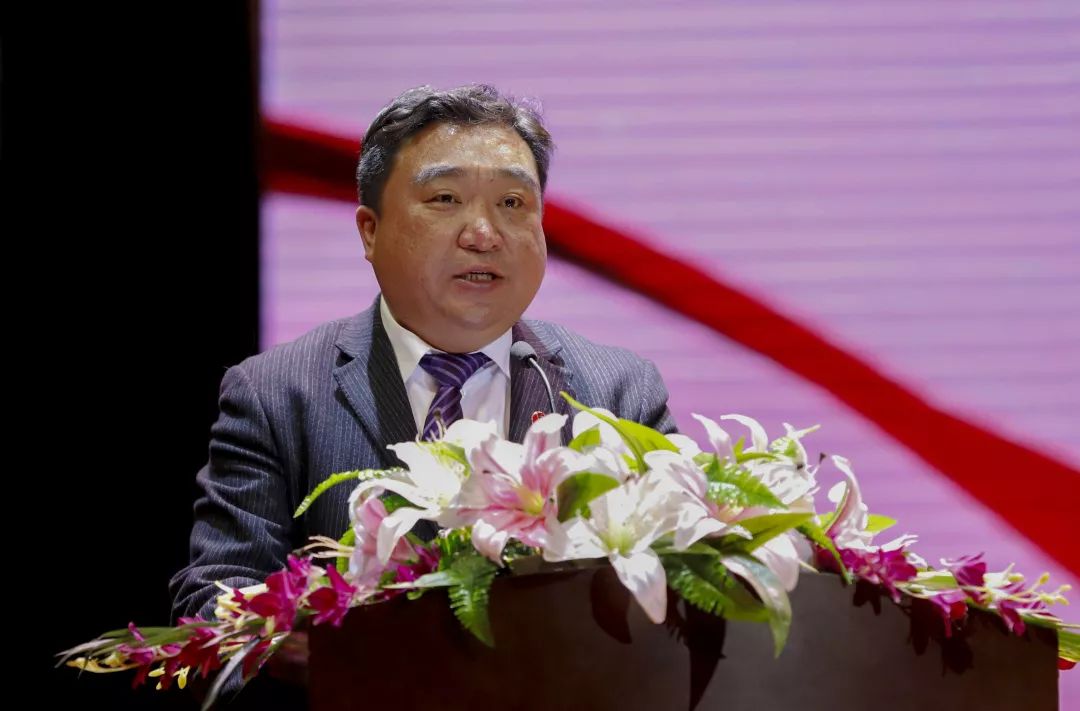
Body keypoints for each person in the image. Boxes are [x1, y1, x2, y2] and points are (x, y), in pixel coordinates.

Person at [169, 84, 676, 625]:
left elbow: (685, 588)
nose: (483, 235)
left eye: (512, 203)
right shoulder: (277, 395)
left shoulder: (620, 392)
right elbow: (215, 607)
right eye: (445, 199)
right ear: (370, 231)